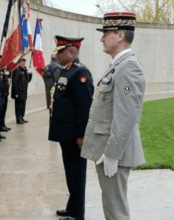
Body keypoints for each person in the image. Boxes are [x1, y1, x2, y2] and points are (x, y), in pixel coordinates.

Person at [81, 12, 146, 220]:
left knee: (116, 211)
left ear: (119, 36)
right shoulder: (118, 66)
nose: (102, 38)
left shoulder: (128, 68)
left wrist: (112, 154)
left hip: (114, 152)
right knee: (112, 207)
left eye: (106, 33)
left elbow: (126, 116)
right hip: (109, 149)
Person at [49, 36, 94, 220]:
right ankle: (72, 206)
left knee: (77, 173)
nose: (57, 54)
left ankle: (78, 214)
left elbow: (84, 107)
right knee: (70, 171)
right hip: (65, 133)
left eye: (61, 51)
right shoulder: (66, 71)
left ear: (72, 52)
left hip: (74, 135)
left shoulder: (80, 73)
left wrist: (82, 135)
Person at [11, 58, 32, 124]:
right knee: (18, 106)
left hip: (24, 91)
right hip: (19, 91)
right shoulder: (17, 71)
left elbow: (28, 80)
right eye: (22, 63)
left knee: (23, 106)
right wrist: (16, 92)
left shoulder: (25, 70)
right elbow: (14, 82)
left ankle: (22, 117)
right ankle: (18, 119)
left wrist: (30, 74)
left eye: (24, 63)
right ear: (18, 63)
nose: (23, 64)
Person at [0, 55, 12, 132]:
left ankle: (3, 124)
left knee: (4, 111)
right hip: (0, 94)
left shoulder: (4, 72)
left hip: (5, 93)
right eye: (0, 59)